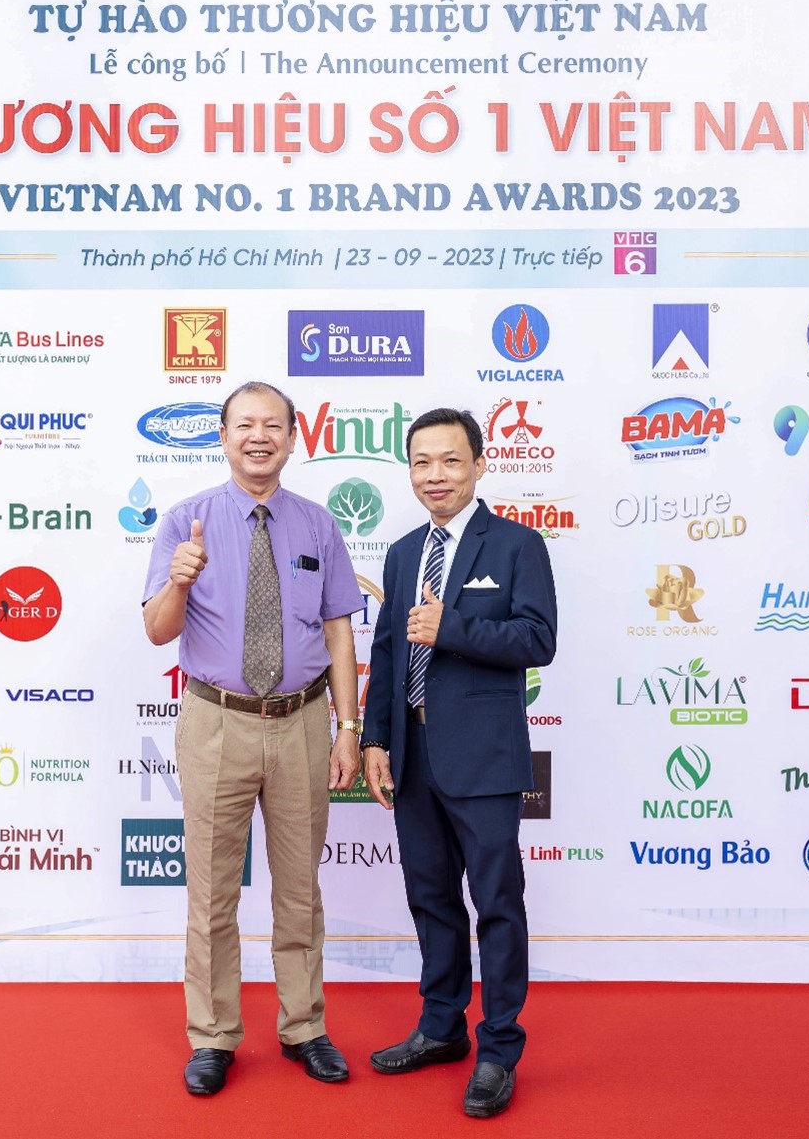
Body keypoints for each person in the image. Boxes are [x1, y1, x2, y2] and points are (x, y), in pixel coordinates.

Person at [141, 381, 366, 1097]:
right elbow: (157, 630)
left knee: (300, 889)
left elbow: (339, 629)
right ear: (223, 435)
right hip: (216, 723)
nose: (258, 436)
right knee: (211, 891)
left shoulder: (317, 525)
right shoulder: (187, 521)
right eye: (244, 424)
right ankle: (212, 1035)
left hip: (302, 721)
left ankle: (304, 1026)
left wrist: (347, 728)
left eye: (273, 425)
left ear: (293, 438)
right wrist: (179, 582)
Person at [359, 407, 558, 1119]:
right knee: (431, 898)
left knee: (496, 905)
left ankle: (498, 1048)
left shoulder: (516, 544)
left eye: (449, 460)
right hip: (411, 755)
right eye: (421, 462)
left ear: (478, 463)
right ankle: (441, 1026)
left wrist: (454, 627)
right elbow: (388, 649)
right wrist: (375, 740)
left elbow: (537, 640)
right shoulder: (402, 552)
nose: (434, 475)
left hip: (484, 758)